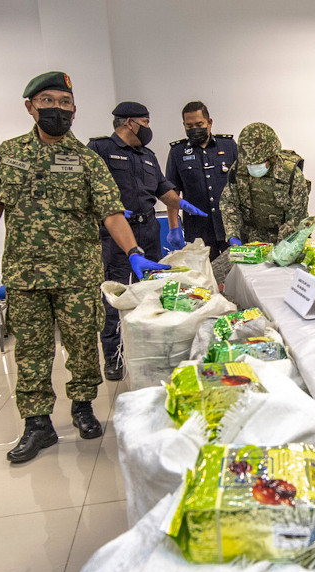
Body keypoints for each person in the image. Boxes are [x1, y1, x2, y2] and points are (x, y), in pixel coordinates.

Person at [0, 71, 167, 463]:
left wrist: (133, 252)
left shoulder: (88, 160)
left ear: (74, 110)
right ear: (30, 107)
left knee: (81, 346)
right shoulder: (9, 153)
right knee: (32, 350)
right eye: (47, 101)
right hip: (25, 273)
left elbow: (110, 212)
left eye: (64, 102)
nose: (57, 108)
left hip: (78, 273)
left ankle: (83, 407)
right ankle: (37, 424)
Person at [88, 101, 208, 379]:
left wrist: (180, 204)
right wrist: (109, 210)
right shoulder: (99, 150)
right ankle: (113, 356)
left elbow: (163, 190)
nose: (148, 128)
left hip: (149, 232)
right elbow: (87, 192)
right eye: (146, 122)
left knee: (151, 294)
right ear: (129, 122)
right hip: (115, 235)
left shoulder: (148, 155)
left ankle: (148, 349)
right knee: (115, 296)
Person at [165, 101, 237, 261]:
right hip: (198, 230)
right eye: (189, 126)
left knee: (235, 277)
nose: (195, 129)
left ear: (209, 122)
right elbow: (171, 193)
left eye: (199, 124)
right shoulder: (178, 152)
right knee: (203, 279)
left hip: (229, 227)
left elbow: (241, 185)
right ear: (184, 125)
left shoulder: (229, 146)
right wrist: (173, 227)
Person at [220, 122, 310, 247]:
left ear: (271, 157)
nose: (252, 167)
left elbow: (296, 218)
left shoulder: (291, 174)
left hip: (286, 242)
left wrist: (279, 249)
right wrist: (233, 235)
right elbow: (229, 204)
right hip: (250, 243)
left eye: (258, 163)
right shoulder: (238, 170)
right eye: (249, 163)